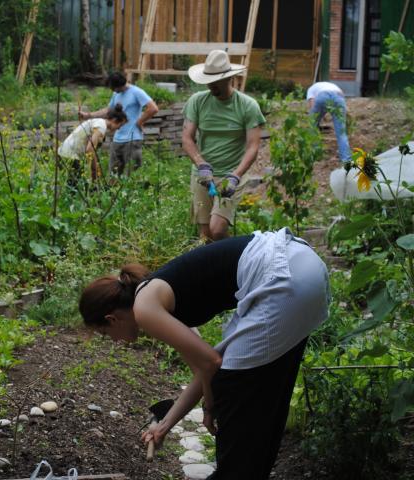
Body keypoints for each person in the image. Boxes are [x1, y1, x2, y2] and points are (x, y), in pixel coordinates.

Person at [79, 228, 330, 479]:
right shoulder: (157, 296)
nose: (115, 341)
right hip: (301, 267)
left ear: (111, 319)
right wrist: (166, 425)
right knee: (266, 398)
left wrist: (210, 406)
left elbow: (212, 364)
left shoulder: (145, 309)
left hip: (281, 278)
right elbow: (204, 367)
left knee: (233, 389)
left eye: (105, 334)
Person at [182, 50, 266, 242]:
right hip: (203, 175)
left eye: (216, 82)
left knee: (218, 230)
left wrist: (236, 175)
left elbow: (253, 147)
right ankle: (213, 271)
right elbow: (187, 138)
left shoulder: (247, 106)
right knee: (205, 236)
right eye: (208, 81)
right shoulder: (198, 101)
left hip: (231, 175)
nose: (211, 86)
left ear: (229, 79)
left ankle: (232, 263)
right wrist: (200, 164)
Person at [79, 72, 159, 175]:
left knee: (132, 174)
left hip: (132, 139)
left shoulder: (137, 92)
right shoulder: (116, 94)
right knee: (113, 174)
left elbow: (153, 108)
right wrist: (88, 115)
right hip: (117, 140)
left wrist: (140, 121)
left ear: (119, 85)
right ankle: (112, 191)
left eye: (112, 87)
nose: (112, 90)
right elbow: (108, 111)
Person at [58, 104, 127, 187]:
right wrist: (94, 170)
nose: (119, 128)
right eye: (120, 125)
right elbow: (90, 149)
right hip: (70, 154)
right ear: (115, 120)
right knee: (76, 187)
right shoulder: (101, 126)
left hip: (64, 152)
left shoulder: (99, 122)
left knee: (75, 185)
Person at [306, 81, 352, 163]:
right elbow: (341, 95)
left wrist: (317, 118)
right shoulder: (333, 85)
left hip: (322, 97)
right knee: (341, 132)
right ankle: (346, 160)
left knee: (312, 125)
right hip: (339, 97)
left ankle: (316, 155)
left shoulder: (310, 89)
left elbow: (312, 105)